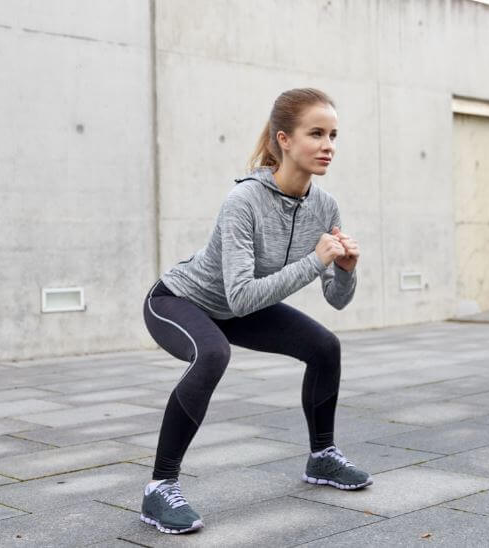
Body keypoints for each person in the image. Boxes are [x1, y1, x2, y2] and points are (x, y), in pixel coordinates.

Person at [139, 88, 372, 535]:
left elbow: (337, 299)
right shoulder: (244, 201)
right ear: (284, 139)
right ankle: (159, 488)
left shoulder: (324, 206)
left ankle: (322, 456)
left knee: (325, 346)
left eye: (334, 135)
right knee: (212, 354)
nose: (329, 146)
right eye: (316, 133)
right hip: (178, 300)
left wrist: (344, 270)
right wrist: (314, 261)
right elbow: (243, 296)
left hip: (238, 306)